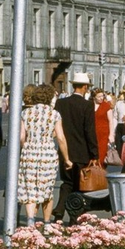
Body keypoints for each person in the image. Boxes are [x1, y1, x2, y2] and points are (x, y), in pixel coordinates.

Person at [18, 84, 71, 224]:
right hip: (48, 153)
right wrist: (66, 159)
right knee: (47, 189)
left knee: (30, 189)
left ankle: (30, 220)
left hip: (29, 153)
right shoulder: (54, 114)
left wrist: (28, 147)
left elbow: (21, 137)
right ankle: (47, 223)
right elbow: (60, 137)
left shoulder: (25, 113)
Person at [53, 73, 99, 222]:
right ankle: (74, 216)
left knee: (67, 182)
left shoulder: (61, 103)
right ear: (85, 87)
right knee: (79, 185)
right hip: (82, 151)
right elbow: (89, 130)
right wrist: (94, 153)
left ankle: (59, 210)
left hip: (65, 149)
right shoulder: (87, 105)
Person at [92, 88, 113, 164]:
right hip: (92, 134)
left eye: (102, 96)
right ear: (94, 97)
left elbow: (111, 121)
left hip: (103, 134)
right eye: (99, 96)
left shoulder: (106, 106)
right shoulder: (89, 105)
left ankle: (101, 172)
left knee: (102, 154)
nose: (101, 98)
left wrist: (111, 135)